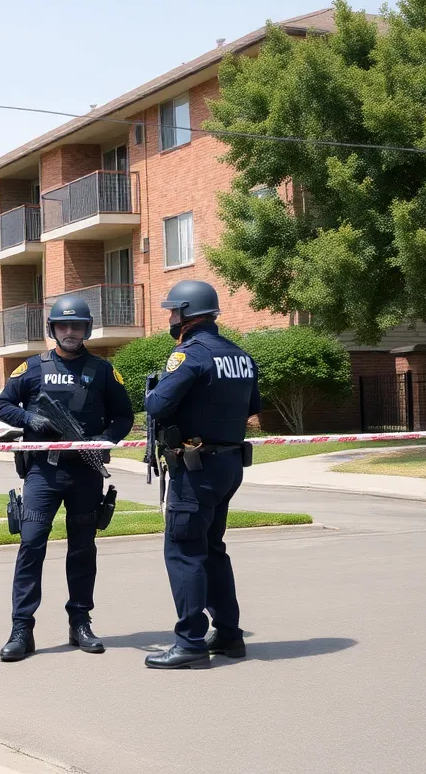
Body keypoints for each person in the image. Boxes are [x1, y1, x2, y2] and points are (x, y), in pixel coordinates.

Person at [0, 295, 133, 662]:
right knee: (31, 544)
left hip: (85, 472)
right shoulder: (32, 368)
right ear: (52, 329)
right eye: (63, 326)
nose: (70, 331)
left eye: (77, 326)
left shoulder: (103, 371)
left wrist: (105, 441)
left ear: (87, 329)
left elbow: (124, 415)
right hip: (43, 472)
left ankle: (80, 623)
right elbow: (2, 405)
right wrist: (29, 419)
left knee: (83, 548)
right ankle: (21, 629)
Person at [143, 280, 260, 670]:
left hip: (196, 468)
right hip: (228, 465)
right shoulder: (240, 355)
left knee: (184, 552)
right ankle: (228, 634)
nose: (169, 319)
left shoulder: (189, 354)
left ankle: (190, 642)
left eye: (172, 312)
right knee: (211, 549)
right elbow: (252, 405)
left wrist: (154, 391)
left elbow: (157, 406)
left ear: (186, 314)